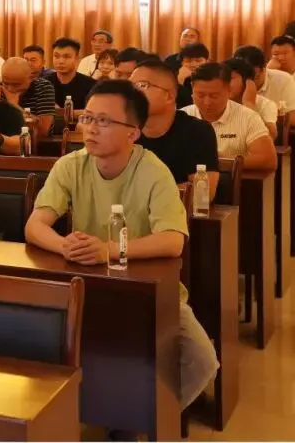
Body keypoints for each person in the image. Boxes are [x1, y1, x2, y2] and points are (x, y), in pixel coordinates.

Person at [24, 79, 217, 412]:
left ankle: (147, 415)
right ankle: (97, 412)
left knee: (202, 360)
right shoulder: (70, 165)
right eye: (88, 118)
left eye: (104, 121)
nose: (91, 128)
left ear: (133, 132)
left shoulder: (154, 172)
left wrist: (109, 250)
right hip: (86, 284)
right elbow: (35, 226)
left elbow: (173, 240)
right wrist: (63, 245)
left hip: (149, 291)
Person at [129, 61, 219, 197]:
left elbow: (203, 193)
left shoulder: (197, 131)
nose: (132, 93)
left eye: (142, 85)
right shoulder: (124, 129)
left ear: (169, 96)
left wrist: (144, 195)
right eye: (130, 86)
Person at [182, 63, 277, 171]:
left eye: (214, 96)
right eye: (200, 95)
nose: (207, 102)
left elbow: (268, 160)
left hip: (232, 179)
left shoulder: (248, 117)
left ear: (229, 91)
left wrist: (215, 164)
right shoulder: (182, 117)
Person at [232, 44, 295, 127]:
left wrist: (250, 105)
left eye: (254, 77)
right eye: (243, 76)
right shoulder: (229, 82)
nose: (248, 82)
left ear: (264, 68)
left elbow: (292, 119)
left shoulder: (283, 80)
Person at [1, 57, 56, 137]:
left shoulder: (43, 87)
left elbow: (43, 131)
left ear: (30, 78)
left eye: (16, 84)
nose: (10, 89)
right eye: (5, 83)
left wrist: (14, 106)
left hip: (38, 142)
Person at [225, 58, 279, 140]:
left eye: (229, 78)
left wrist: (249, 105)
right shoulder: (215, 102)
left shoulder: (265, 104)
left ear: (247, 82)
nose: (223, 83)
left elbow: (269, 137)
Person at [44, 37, 97, 111]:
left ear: (77, 58)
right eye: (56, 56)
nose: (61, 61)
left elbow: (94, 112)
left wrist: (64, 112)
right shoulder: (43, 84)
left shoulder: (91, 85)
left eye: (66, 57)